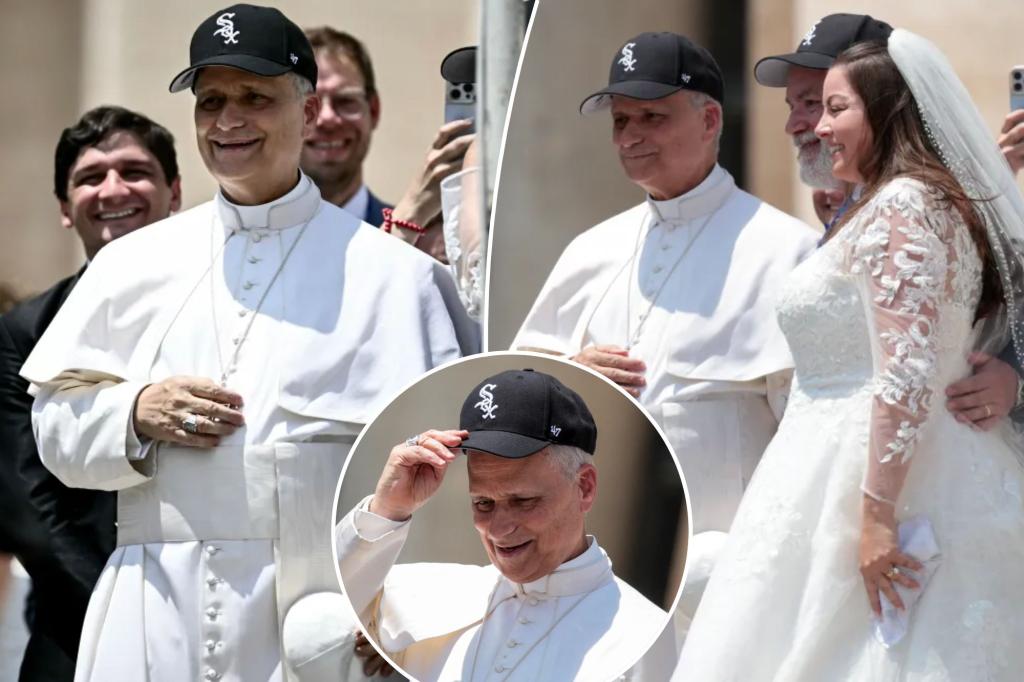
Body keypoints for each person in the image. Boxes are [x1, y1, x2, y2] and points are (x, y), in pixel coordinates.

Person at [20, 5, 474, 682]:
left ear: (309, 106)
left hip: (326, 610)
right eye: (212, 101)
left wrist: (401, 613)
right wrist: (132, 412)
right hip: (154, 610)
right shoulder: (128, 266)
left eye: (255, 98)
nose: (228, 121)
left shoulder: (398, 279)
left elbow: (446, 477)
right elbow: (54, 430)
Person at [675, 30, 1024, 680]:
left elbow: (907, 371)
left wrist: (876, 520)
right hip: (824, 468)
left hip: (877, 482)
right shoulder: (897, 204)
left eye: (837, 108)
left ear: (887, 111)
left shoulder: (904, 206)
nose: (818, 127)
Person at [511, 32, 817, 624]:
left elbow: (813, 433)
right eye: (621, 120)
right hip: (592, 564)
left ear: (708, 119)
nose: (630, 136)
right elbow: (517, 397)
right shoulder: (589, 251)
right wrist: (567, 376)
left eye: (652, 116)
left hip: (734, 564)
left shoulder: (788, 252)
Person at [756, 12, 1023, 436]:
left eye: (820, 103)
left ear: (879, 98)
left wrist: (1015, 378)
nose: (802, 125)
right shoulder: (838, 207)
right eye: (797, 106)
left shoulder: (934, 201)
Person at [336, 368, 677, 681]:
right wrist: (388, 508)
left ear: (584, 488)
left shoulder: (647, 636)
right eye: (483, 503)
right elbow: (323, 606)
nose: (498, 530)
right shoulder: (414, 596)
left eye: (523, 501)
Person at [0, 105, 181, 682]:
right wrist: (123, 611)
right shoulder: (23, 331)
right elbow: (28, 506)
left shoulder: (230, 311)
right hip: (76, 627)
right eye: (90, 177)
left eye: (135, 171)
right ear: (63, 207)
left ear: (174, 192)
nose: (113, 190)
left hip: (213, 620)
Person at [301, 26, 473, 259]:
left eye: (346, 101)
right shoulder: (248, 240)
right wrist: (410, 214)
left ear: (374, 110)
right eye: (311, 105)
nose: (328, 118)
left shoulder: (427, 244)